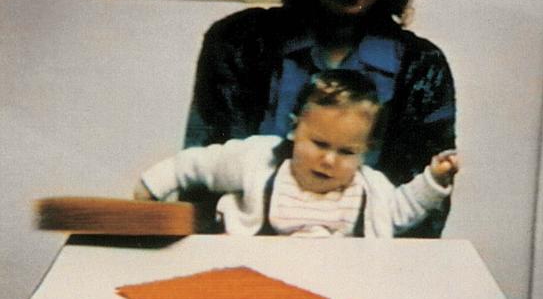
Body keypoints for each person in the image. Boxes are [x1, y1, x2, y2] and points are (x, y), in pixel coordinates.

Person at [183, 0, 457, 238]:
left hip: (366, 271)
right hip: (240, 259)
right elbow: (203, 182)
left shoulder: (422, 65)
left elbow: (420, 217)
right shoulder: (237, 40)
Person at [136, 70, 458, 237]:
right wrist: (154, 184)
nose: (329, 160)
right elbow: (201, 163)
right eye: (319, 144)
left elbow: (403, 209)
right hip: (254, 275)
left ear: (366, 151)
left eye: (346, 151)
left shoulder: (370, 189)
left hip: (340, 287)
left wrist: (433, 180)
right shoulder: (259, 160)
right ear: (294, 129)